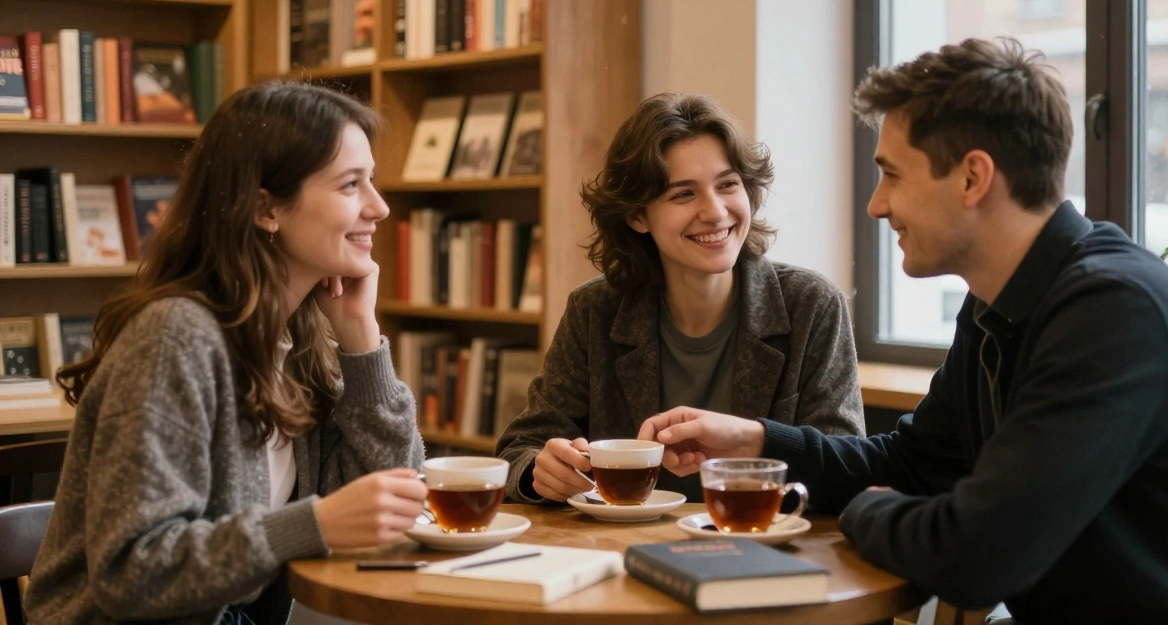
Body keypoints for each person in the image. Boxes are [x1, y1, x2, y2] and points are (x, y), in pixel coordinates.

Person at [638, 39, 1168, 624]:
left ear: (973, 177)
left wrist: (867, 510)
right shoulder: (998, 302)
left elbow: (980, 553)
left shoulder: (1113, 312)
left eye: (892, 174)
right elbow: (913, 462)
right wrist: (755, 438)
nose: (876, 204)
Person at [25, 81, 428, 625]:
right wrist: (316, 525)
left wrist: (361, 343)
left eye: (371, 181)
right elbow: (131, 573)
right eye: (351, 185)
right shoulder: (176, 337)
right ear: (266, 208)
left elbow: (393, 506)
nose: (378, 208)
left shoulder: (299, 340)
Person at [496, 92, 864, 504]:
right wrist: (538, 472)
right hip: (620, 549)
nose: (715, 212)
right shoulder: (594, 311)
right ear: (637, 216)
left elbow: (846, 468)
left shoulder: (811, 304)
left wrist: (761, 444)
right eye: (683, 194)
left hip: (758, 546)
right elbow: (518, 450)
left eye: (728, 185)